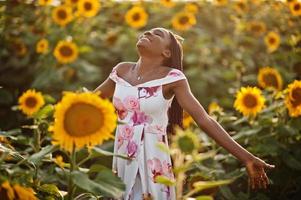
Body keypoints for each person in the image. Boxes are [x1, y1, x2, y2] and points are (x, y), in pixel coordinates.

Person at [93, 27, 275, 200]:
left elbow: (204, 120)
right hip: (124, 153)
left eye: (157, 34)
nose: (148, 32)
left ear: (166, 53)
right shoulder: (121, 70)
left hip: (153, 159)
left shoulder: (173, 78)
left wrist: (247, 158)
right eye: (149, 31)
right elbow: (90, 101)